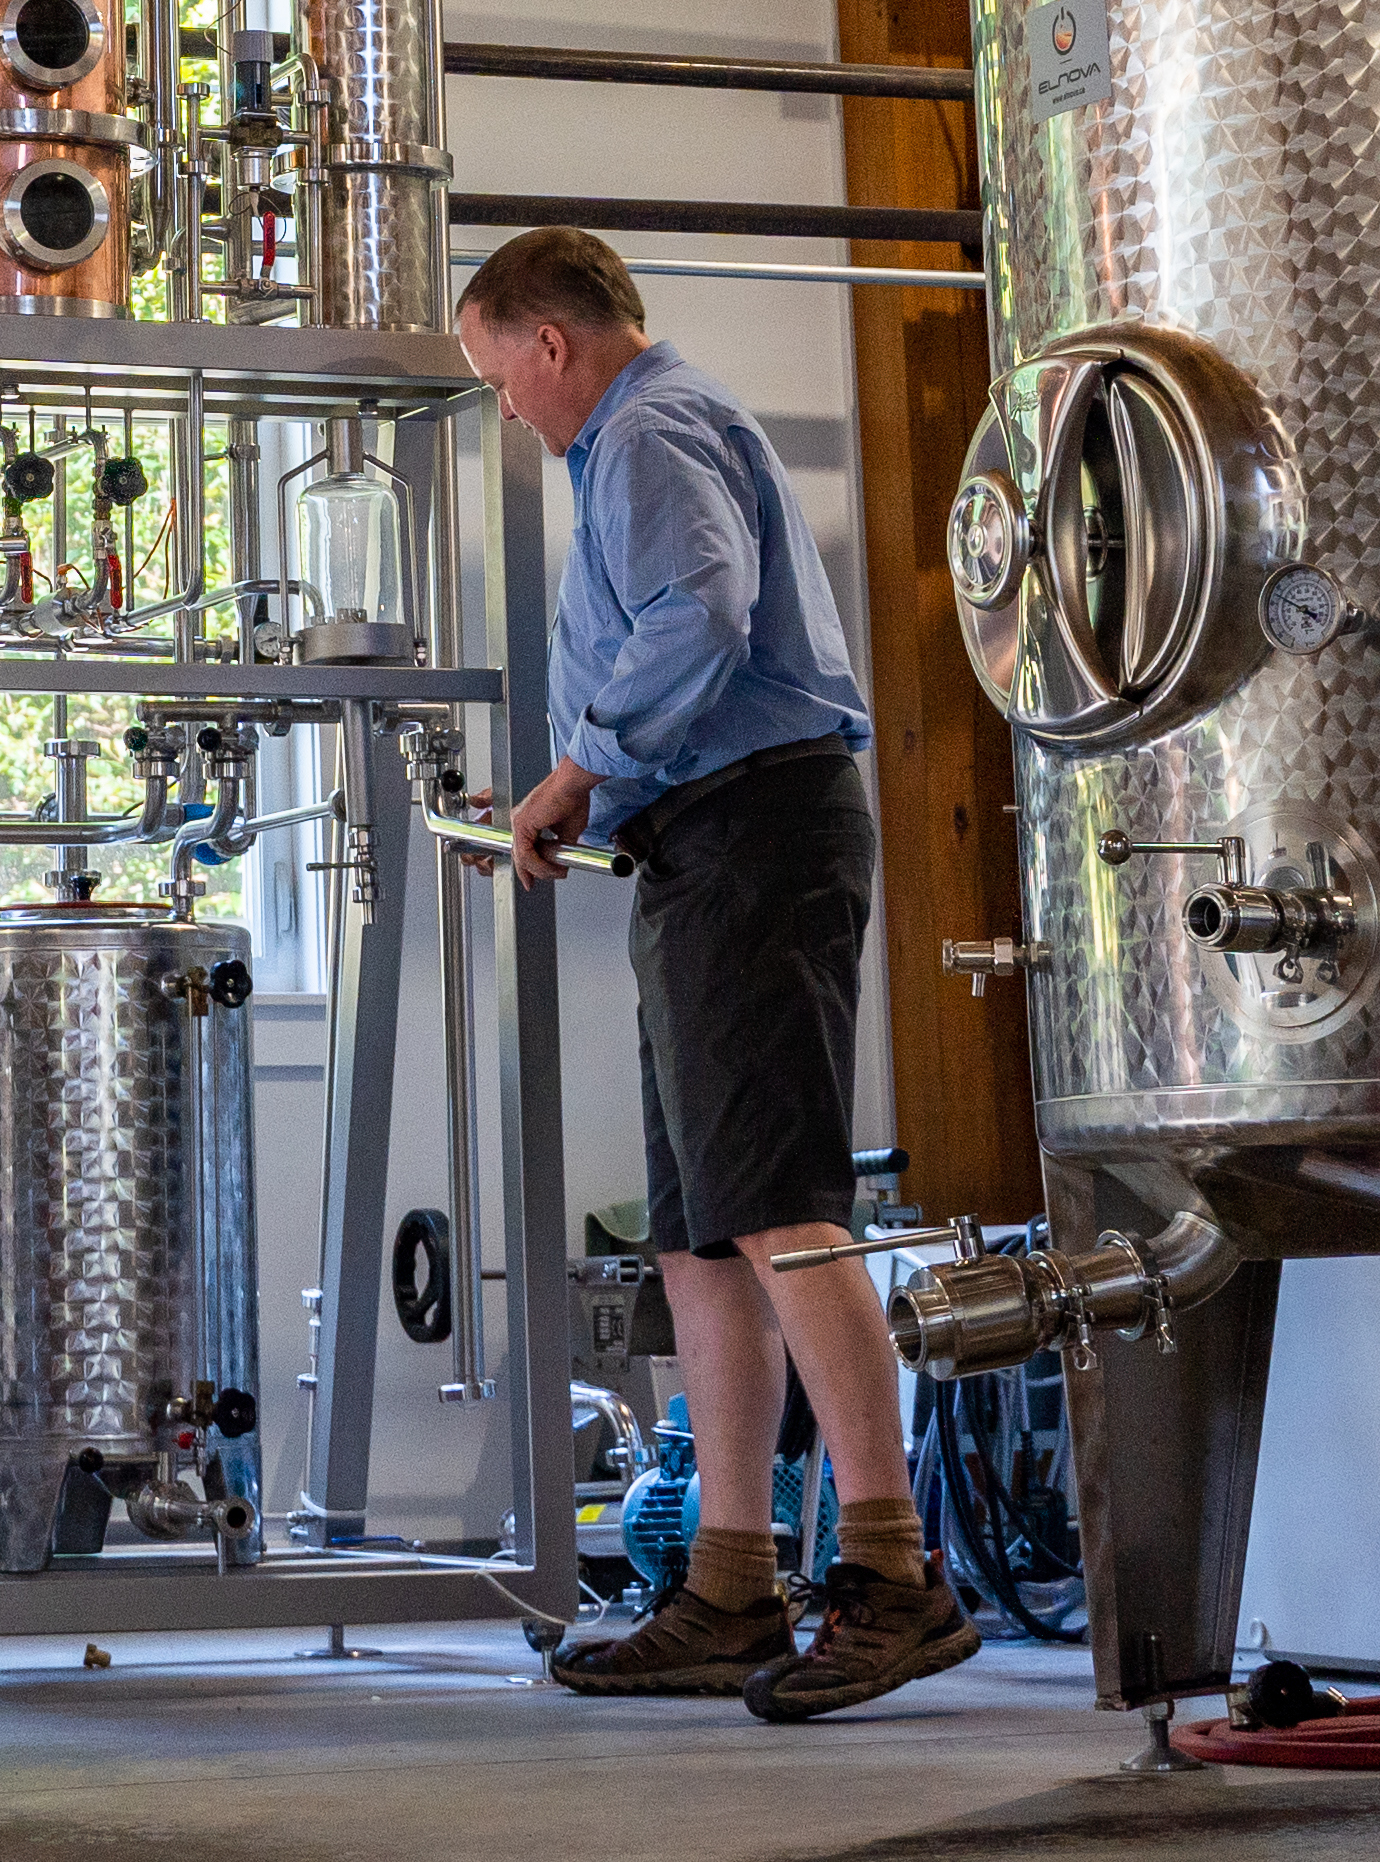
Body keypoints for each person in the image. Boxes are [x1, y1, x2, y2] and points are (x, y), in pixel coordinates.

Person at [449, 225, 975, 1722]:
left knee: (785, 1210)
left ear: (550, 344)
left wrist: (584, 763)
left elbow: (703, 611)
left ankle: (893, 1576)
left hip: (758, 833)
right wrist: (576, 798)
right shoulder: (634, 434)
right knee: (698, 1231)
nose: (509, 408)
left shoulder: (648, 428)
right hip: (697, 839)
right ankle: (729, 1585)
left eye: (500, 378)